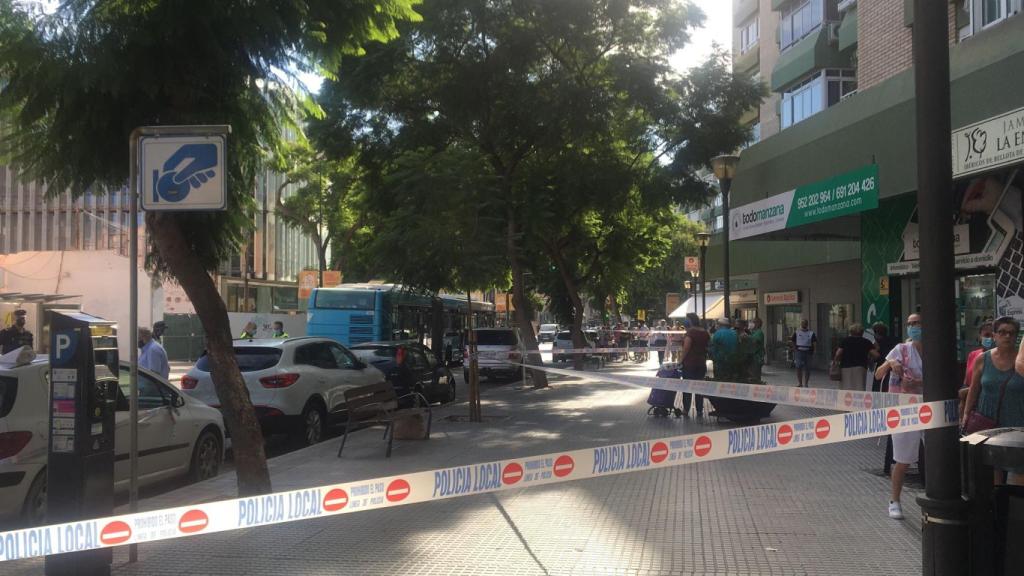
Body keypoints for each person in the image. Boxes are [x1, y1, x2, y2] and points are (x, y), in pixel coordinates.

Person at [874, 313, 925, 519]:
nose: (913, 327)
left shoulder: (938, 348)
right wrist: (890, 364)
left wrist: (918, 384)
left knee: (937, 456)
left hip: (932, 409)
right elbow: (879, 374)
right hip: (905, 411)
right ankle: (895, 500)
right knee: (902, 459)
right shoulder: (901, 349)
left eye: (917, 323)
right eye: (910, 323)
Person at [966, 317, 1024, 486]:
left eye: (1011, 333)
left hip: (1017, 421)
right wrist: (966, 414)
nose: (1007, 336)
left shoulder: (1021, 361)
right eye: (1002, 332)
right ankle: (996, 509)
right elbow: (974, 389)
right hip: (988, 421)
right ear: (994, 335)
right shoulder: (982, 359)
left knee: (1018, 473)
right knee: (992, 474)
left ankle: (1014, 510)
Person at [959, 322, 994, 416]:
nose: (990, 338)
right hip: (971, 407)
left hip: (988, 406)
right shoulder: (973, 355)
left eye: (992, 335)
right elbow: (966, 382)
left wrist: (966, 391)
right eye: (986, 335)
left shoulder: (997, 357)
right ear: (980, 337)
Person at [679, 313, 710, 417]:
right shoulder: (705, 332)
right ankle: (699, 410)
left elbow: (686, 348)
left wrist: (680, 361)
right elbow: (707, 346)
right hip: (701, 363)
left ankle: (686, 410)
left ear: (690, 321)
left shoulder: (690, 333)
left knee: (687, 387)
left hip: (689, 364)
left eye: (686, 319)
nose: (685, 321)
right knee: (699, 387)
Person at [833, 324, 878, 391]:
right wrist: (870, 359)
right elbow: (876, 355)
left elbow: (838, 353)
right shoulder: (866, 342)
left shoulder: (845, 341)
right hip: (860, 367)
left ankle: (846, 400)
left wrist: (835, 361)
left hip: (845, 367)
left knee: (845, 388)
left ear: (850, 332)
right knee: (859, 387)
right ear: (862, 332)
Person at [871, 323, 897, 392]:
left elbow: (877, 356)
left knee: (878, 386)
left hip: (881, 366)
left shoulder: (876, 343)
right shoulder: (892, 340)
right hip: (891, 367)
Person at [790, 319, 817, 388]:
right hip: (799, 351)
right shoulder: (797, 332)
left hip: (808, 351)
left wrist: (814, 351)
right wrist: (794, 349)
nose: (804, 325)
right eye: (803, 323)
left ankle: (806, 383)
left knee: (808, 368)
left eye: (805, 323)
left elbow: (814, 343)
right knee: (798, 366)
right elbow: (792, 341)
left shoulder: (811, 333)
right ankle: (800, 383)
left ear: (807, 324)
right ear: (801, 324)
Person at [749, 318, 765, 382]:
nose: (751, 324)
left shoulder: (759, 332)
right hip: (752, 357)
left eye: (753, 322)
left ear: (757, 324)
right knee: (751, 375)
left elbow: (754, 341)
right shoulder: (753, 332)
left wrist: (747, 337)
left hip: (757, 358)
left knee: (755, 376)